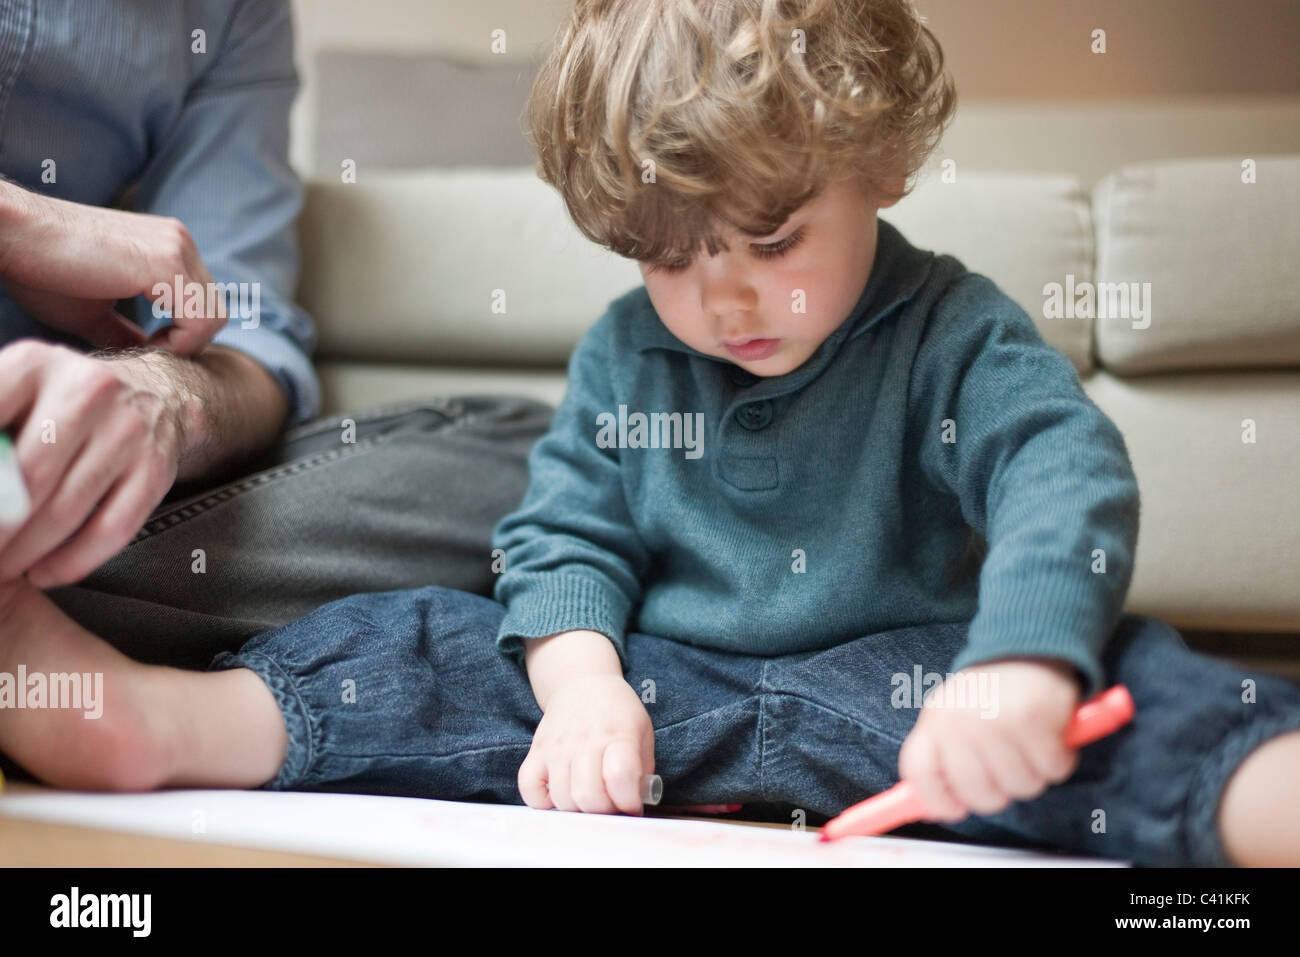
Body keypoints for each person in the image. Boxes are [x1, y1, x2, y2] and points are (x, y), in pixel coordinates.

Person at [2, 0, 1298, 867]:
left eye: (775, 242)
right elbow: (563, 532)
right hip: (661, 690)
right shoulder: (634, 347)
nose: (725, 300)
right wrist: (583, 690)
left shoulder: (954, 330)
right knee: (425, 642)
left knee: (1153, 695)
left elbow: (1059, 478)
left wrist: (1020, 667)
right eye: (673, 259)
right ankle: (153, 719)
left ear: (884, 164)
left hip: (912, 689)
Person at [0, 0, 553, 678]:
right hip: (62, 548)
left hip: (56, 510)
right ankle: (105, 674)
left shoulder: (233, 15)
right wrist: (17, 224)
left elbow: (253, 339)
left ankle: (42, 641)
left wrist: (165, 399)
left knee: (528, 455)